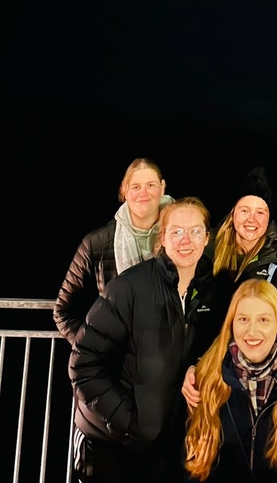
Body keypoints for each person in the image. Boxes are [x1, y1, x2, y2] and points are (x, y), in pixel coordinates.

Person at [69, 197, 224, 483]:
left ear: (206, 238)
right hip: (114, 446)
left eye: (195, 231)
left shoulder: (216, 294)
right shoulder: (129, 287)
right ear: (162, 237)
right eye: (176, 231)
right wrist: (129, 423)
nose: (185, 240)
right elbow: (84, 364)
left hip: (171, 449)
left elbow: (221, 353)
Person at [183, 278, 277, 482]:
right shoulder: (209, 372)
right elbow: (195, 455)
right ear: (231, 324)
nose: (252, 331)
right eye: (243, 319)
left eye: (264, 320)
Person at [53, 157, 174, 343]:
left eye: (150, 185)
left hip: (168, 360)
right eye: (135, 187)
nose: (144, 193)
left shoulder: (182, 237)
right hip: (116, 361)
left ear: (162, 187)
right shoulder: (97, 242)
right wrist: (92, 350)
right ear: (125, 191)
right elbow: (63, 311)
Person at [211, 166, 277, 296]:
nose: (251, 219)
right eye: (244, 211)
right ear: (233, 215)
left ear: (268, 220)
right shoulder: (209, 249)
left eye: (260, 212)